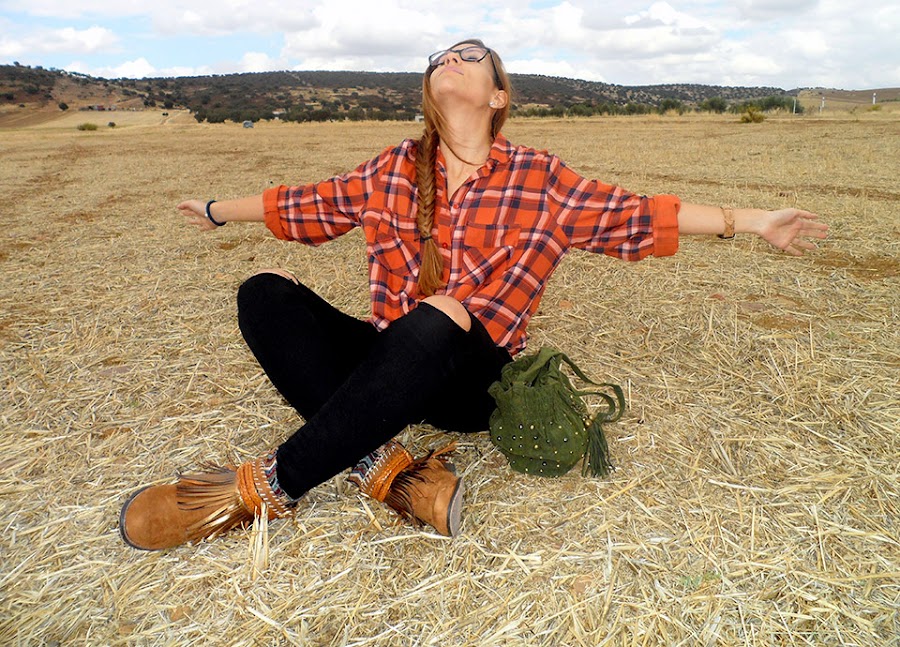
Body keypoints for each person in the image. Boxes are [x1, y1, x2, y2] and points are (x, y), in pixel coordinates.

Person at [119, 39, 829, 551]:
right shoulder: (395, 167)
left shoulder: (542, 179)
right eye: (438, 58)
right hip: (388, 360)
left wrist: (753, 221)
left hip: (470, 378)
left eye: (467, 54)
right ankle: (389, 471)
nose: (446, 60)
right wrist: (217, 209)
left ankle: (265, 489)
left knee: (446, 311)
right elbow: (306, 204)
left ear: (498, 96)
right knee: (263, 293)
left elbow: (638, 217)